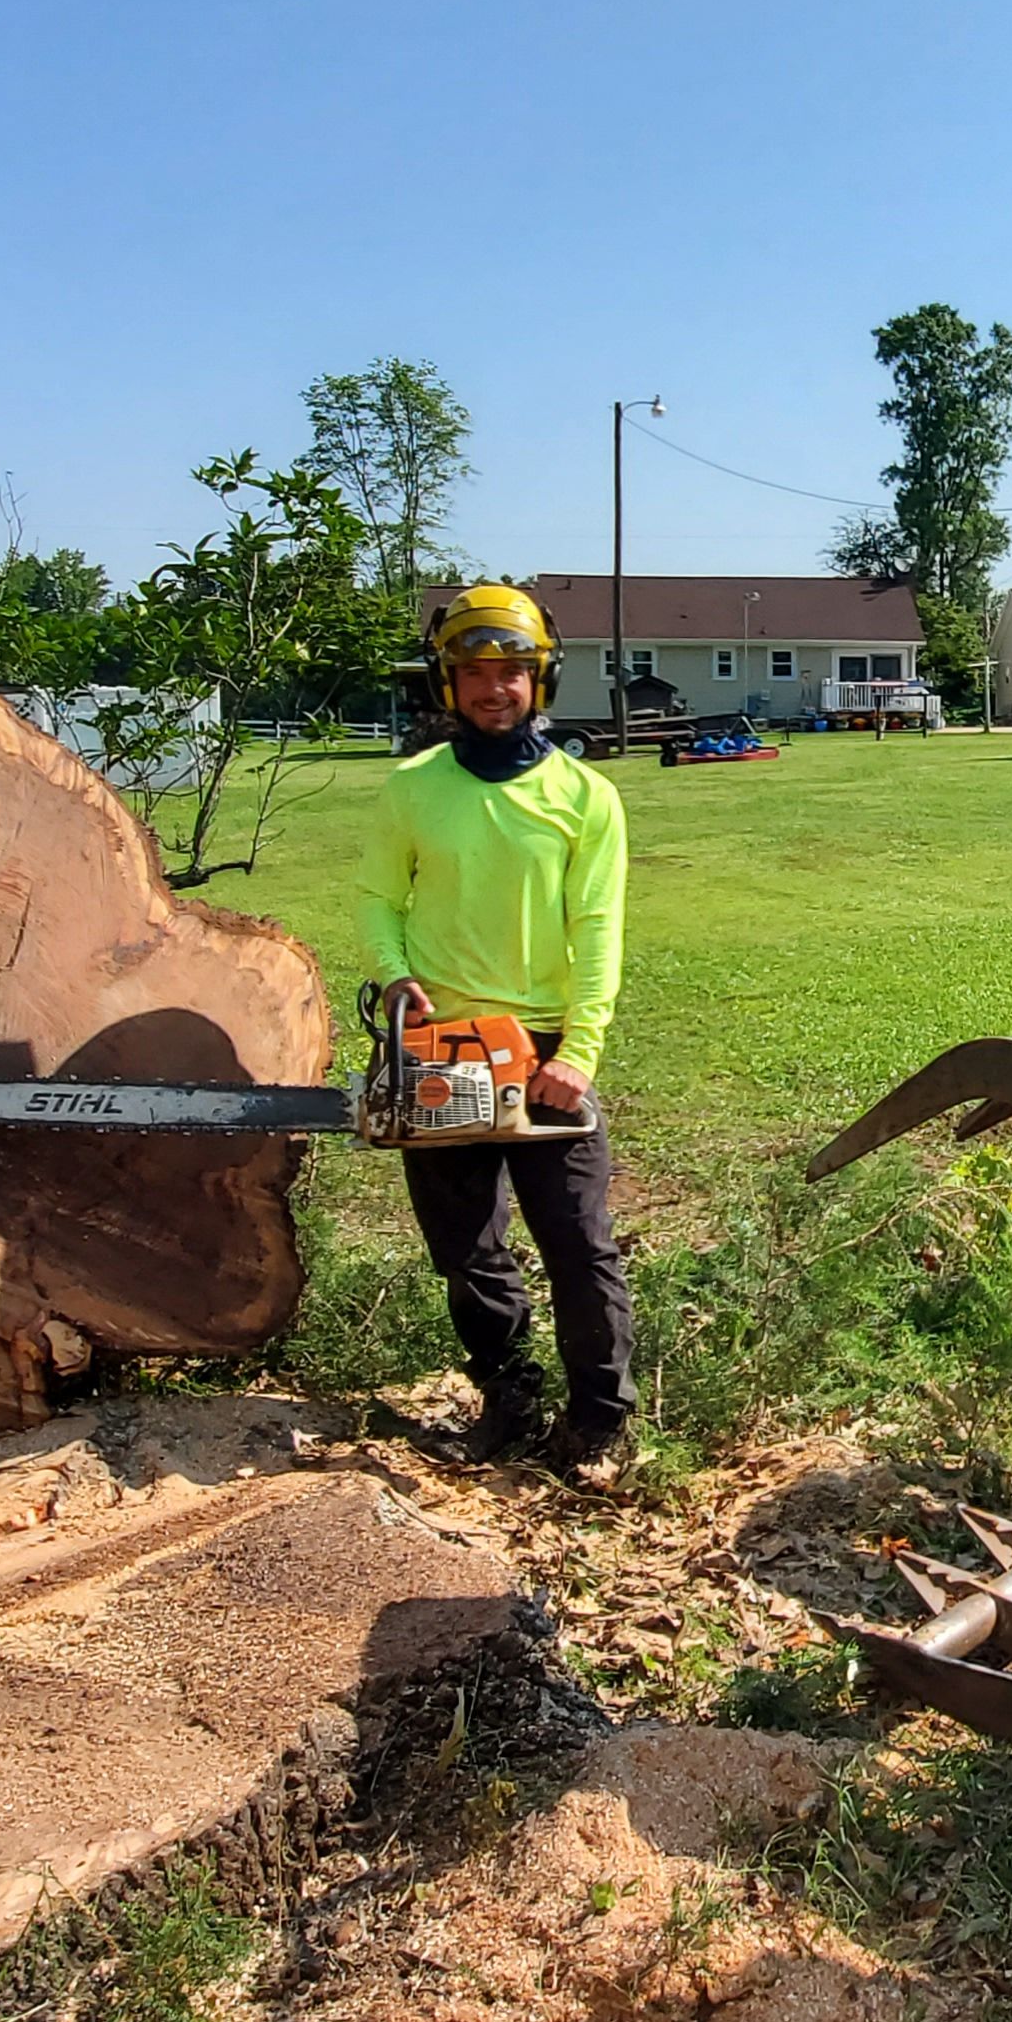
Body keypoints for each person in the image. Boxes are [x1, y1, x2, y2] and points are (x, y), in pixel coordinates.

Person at [357, 583, 637, 1477]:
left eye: (511, 671)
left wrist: (581, 1054)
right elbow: (375, 897)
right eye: (475, 672)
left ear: (539, 679)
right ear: (448, 683)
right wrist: (396, 972)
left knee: (578, 1242)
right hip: (440, 1044)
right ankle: (508, 1396)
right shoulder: (410, 789)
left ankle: (598, 1421)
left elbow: (599, 928)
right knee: (466, 1246)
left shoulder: (584, 796)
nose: (494, 688)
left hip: (549, 1046)